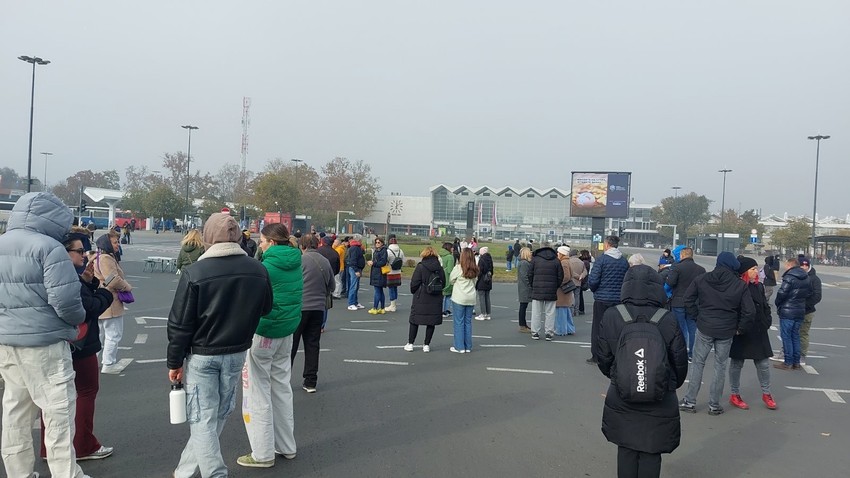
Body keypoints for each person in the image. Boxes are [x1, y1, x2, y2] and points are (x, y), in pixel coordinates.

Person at [167, 212, 273, 478]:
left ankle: (215, 473)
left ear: (208, 237)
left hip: (202, 353)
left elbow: (179, 324)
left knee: (203, 418)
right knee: (217, 415)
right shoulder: (258, 269)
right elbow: (266, 307)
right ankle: (184, 471)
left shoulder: (196, 272)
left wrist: (174, 361)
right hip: (237, 350)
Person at [0, 192, 89, 478]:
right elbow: (66, 302)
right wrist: (77, 321)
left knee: (15, 412)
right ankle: (66, 473)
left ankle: (18, 473)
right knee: (58, 413)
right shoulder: (49, 248)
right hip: (45, 342)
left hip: (7, 340)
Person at [597, 264, 689, 478]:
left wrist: (619, 376)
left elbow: (603, 358)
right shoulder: (667, 318)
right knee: (651, 450)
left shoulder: (613, 315)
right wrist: (668, 383)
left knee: (626, 448)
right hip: (660, 396)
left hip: (622, 394)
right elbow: (680, 362)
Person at [40, 233, 116, 462]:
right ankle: (83, 445)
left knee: (51, 398)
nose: (84, 255)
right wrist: (104, 292)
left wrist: (88, 281)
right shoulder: (67, 278)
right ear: (65, 253)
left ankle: (48, 448)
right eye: (79, 251)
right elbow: (85, 308)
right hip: (79, 343)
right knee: (85, 391)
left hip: (51, 342)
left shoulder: (48, 272)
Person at [238, 223, 302, 468]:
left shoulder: (264, 268)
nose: (260, 244)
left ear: (272, 242)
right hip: (287, 331)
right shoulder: (297, 261)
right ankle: (287, 445)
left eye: (262, 241)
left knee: (258, 391)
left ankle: (262, 453)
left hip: (264, 333)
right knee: (281, 387)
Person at [679, 252, 755, 415]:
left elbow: (688, 299)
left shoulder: (703, 279)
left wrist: (697, 317)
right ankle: (714, 404)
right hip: (727, 329)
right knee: (720, 366)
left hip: (705, 325)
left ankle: (690, 400)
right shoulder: (739, 284)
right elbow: (749, 311)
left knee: (698, 363)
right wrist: (740, 328)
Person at [728, 256, 777, 411]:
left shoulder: (759, 287)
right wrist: (738, 327)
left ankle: (767, 393)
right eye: (753, 269)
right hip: (742, 330)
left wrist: (767, 320)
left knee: (763, 364)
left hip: (759, 330)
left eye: (757, 268)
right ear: (744, 271)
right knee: (737, 363)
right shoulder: (737, 286)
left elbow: (765, 306)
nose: (757, 272)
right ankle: (734, 394)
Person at [292, 234, 334, 393]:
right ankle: (310, 381)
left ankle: (283, 379)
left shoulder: (300, 261)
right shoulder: (325, 262)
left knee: (292, 345)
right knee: (312, 344)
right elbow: (332, 286)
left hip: (300, 307)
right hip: (318, 308)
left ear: (302, 246)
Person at [91, 231, 133, 374]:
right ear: (107, 244)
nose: (118, 245)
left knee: (99, 334)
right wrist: (127, 287)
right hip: (110, 300)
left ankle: (93, 361)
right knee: (113, 334)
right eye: (115, 242)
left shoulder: (97, 257)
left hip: (100, 298)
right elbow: (112, 279)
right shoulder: (106, 258)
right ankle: (108, 363)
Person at [587, 236, 629, 364]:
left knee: (598, 328)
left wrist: (595, 290)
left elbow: (593, 280)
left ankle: (596, 355)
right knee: (615, 328)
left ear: (607, 245)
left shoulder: (602, 260)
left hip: (602, 299)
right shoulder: (623, 261)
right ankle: (614, 355)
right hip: (618, 299)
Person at [665, 246, 706, 361]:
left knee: (681, 329)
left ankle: (682, 353)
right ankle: (692, 354)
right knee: (692, 329)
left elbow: (670, 283)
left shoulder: (677, 268)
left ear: (682, 255)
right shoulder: (701, 270)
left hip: (678, 302)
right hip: (694, 303)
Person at [403, 246, 445, 353]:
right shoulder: (439, 268)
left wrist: (415, 291)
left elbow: (414, 283)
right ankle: (426, 344)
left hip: (421, 296)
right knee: (431, 322)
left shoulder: (420, 267)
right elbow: (443, 283)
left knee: (414, 320)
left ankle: (410, 343)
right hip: (435, 297)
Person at [773, 257, 811, 371]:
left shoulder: (789, 277)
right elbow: (809, 292)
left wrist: (778, 303)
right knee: (795, 336)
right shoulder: (806, 276)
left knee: (786, 336)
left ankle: (788, 361)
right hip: (800, 309)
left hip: (788, 309)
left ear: (789, 265)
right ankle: (796, 362)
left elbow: (782, 293)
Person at [528, 242, 563, 341]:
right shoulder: (556, 260)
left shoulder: (535, 259)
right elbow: (560, 276)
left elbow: (529, 274)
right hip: (551, 289)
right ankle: (549, 333)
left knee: (536, 312)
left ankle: (535, 332)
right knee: (550, 313)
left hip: (537, 288)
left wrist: (533, 285)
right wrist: (555, 286)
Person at [449, 248, 478, 353]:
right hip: (471, 297)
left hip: (459, 297)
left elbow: (451, 279)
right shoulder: (475, 269)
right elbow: (475, 282)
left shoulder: (458, 268)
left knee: (458, 322)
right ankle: (468, 346)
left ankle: (459, 346)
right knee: (468, 322)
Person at [798, 257, 822, 365]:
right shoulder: (796, 276)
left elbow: (817, 296)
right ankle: (787, 352)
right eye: (801, 265)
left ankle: (802, 355)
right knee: (790, 332)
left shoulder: (814, 279)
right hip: (794, 309)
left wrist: (804, 305)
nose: (803, 267)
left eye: (805, 266)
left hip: (807, 311)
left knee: (803, 333)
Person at [555, 246, 576, 336]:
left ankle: (561, 330)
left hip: (561, 291)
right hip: (567, 291)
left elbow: (566, 276)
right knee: (566, 310)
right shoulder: (568, 261)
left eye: (558, 253)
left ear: (561, 253)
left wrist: (558, 283)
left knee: (560, 311)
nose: (557, 254)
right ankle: (569, 329)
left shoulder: (563, 263)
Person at [367, 236, 389, 314]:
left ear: (382, 243)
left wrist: (373, 263)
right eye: (376, 242)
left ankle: (375, 308)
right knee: (380, 290)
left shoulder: (383, 251)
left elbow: (383, 262)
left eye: (378, 242)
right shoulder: (377, 250)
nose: (377, 244)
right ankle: (382, 308)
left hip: (379, 272)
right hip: (377, 272)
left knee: (377, 291)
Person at [345, 235, 366, 310]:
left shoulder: (355, 247)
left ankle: (355, 302)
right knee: (353, 286)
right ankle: (351, 303)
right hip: (355, 268)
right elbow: (353, 260)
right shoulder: (355, 248)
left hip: (356, 268)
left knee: (356, 286)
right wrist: (356, 270)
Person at [385, 235, 405, 312]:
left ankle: (392, 305)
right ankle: (394, 304)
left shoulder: (388, 251)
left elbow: (386, 261)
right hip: (398, 272)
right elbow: (403, 261)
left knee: (391, 288)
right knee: (395, 288)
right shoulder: (401, 251)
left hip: (390, 272)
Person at [516, 247, 533, 333]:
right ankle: (522, 325)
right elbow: (524, 276)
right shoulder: (524, 263)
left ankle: (524, 324)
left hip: (523, 287)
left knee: (524, 306)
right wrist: (530, 285)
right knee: (523, 306)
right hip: (524, 288)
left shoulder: (523, 262)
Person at [474, 246, 494, 320]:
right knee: (487, 297)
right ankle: (488, 314)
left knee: (481, 297)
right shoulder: (490, 259)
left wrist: (477, 277)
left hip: (482, 280)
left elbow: (480, 271)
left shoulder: (481, 260)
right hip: (488, 280)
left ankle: (483, 313)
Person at [439, 242, 455, 318]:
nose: (453, 249)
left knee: (441, 296)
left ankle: (440, 310)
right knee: (448, 295)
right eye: (452, 247)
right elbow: (450, 270)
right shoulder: (450, 257)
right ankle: (445, 310)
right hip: (447, 277)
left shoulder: (440, 255)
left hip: (440, 276)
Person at [578, 250, 592, 315]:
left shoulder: (584, 262)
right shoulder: (587, 262)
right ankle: (581, 308)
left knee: (579, 295)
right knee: (580, 295)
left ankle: (580, 308)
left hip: (582, 280)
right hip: (584, 280)